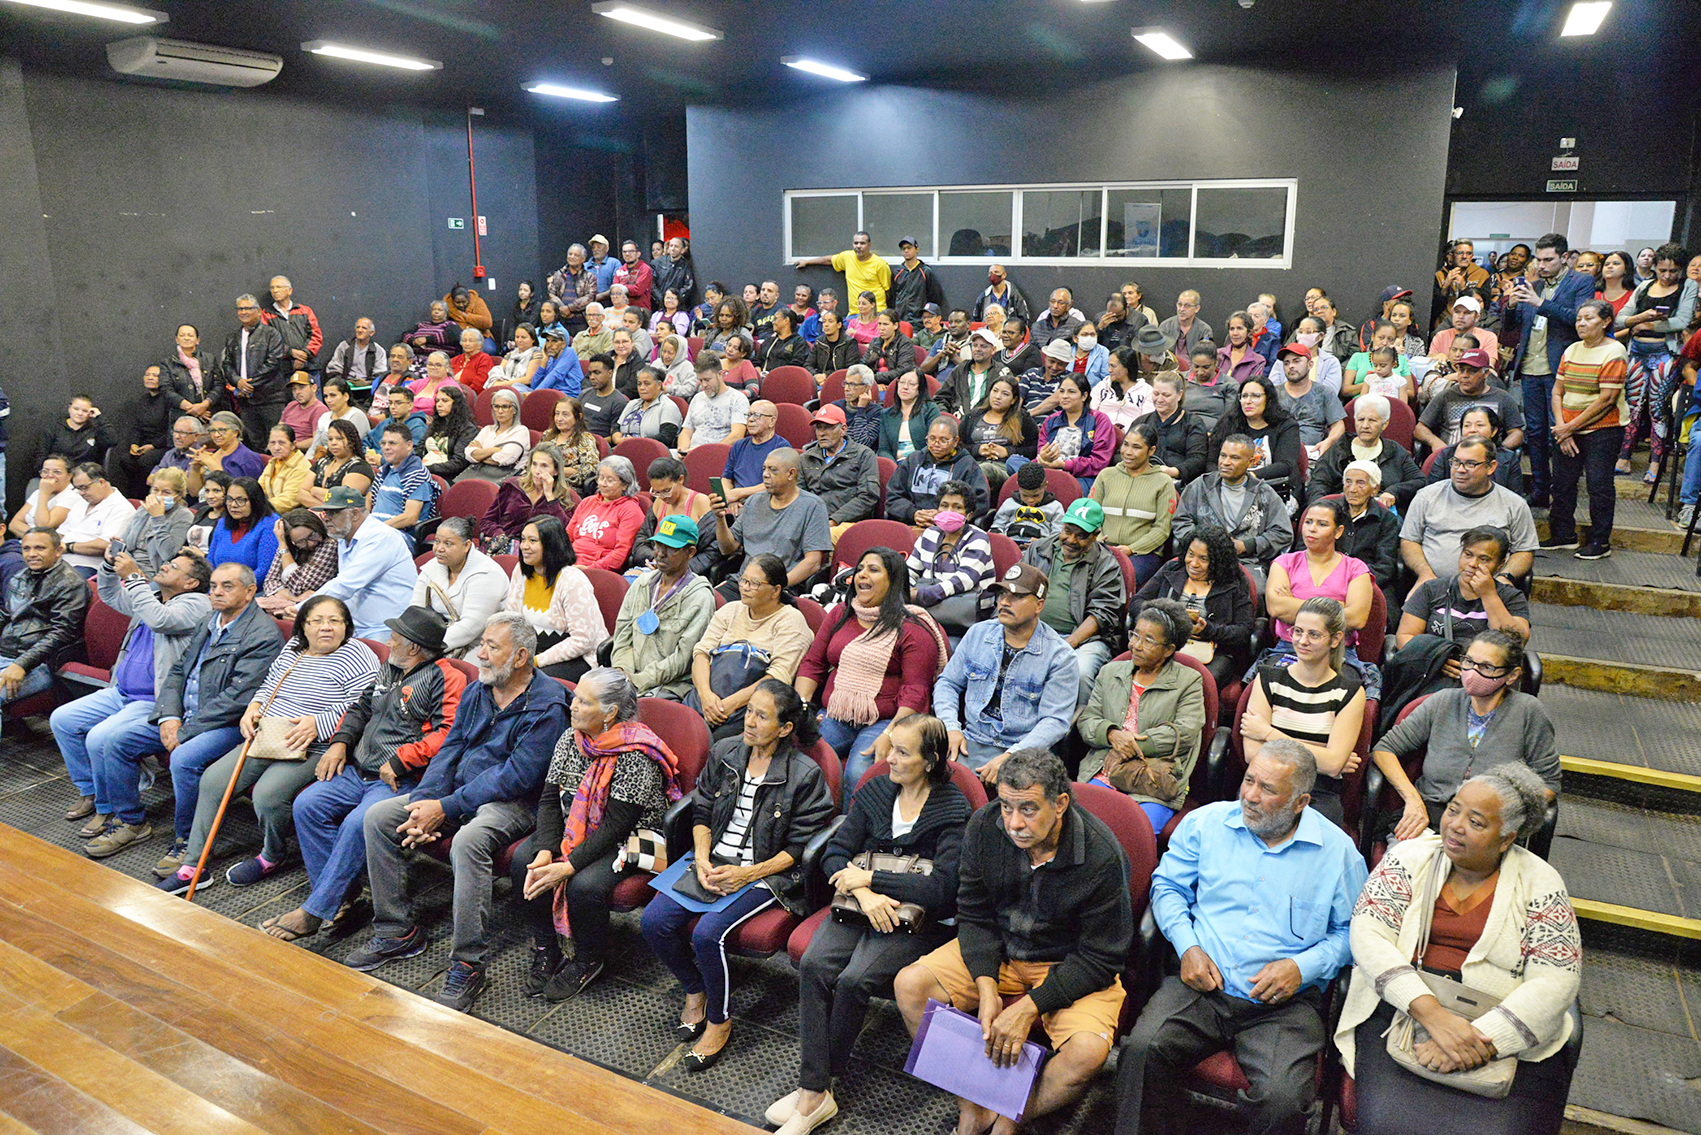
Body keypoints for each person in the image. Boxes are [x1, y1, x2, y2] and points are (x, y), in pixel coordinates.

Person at [1117, 739, 1366, 1135]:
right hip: (1202, 984)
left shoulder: (1338, 855)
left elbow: (1354, 932)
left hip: (1284, 1003)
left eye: (1267, 789)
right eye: (1249, 780)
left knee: (1282, 1101)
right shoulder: (1206, 824)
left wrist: (1302, 968)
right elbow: (1167, 889)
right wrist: (1188, 947)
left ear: (1300, 802)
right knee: (1142, 1051)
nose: (1249, 795)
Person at [895, 749, 1131, 1135]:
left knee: (1087, 1053)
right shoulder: (985, 826)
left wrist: (1028, 1010)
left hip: (1066, 962)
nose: (1014, 823)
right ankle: (972, 1107)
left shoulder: (1102, 855)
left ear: (1060, 804)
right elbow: (973, 914)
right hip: (1002, 949)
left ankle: (1011, 1115)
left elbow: (1102, 958)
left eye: (1028, 809)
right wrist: (986, 987)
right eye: (1006, 806)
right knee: (910, 985)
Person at [1336, 766, 1581, 1135]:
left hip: (1499, 1028)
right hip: (1401, 1012)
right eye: (1453, 809)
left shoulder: (1541, 882)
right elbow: (1369, 934)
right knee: (1384, 1125)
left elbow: (1556, 980)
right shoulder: (1410, 857)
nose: (1455, 825)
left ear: (1506, 838)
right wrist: (1432, 1015)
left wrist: (1480, 1039)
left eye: (1476, 822)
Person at [347, 612, 569, 1012]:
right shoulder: (479, 690)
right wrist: (425, 801)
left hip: (514, 804)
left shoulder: (548, 706)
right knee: (379, 817)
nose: (480, 654)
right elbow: (451, 747)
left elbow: (515, 777)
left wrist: (444, 808)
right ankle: (396, 931)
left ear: (520, 657)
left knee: (468, 841)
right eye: (481, 643)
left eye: (491, 647)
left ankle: (468, 962)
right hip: (456, 792)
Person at [773, 714, 969, 1135]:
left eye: (902, 752)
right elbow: (834, 853)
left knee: (854, 980)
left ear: (931, 760)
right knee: (814, 964)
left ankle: (817, 1090)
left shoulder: (953, 808)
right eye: (891, 747)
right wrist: (865, 893)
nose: (889, 758)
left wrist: (872, 878)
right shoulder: (877, 790)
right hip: (860, 904)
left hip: (917, 921)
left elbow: (943, 889)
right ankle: (815, 1091)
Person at [640, 678, 834, 1066]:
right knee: (653, 920)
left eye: (761, 717)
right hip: (714, 859)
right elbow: (702, 810)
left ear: (785, 728)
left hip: (766, 873)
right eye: (749, 712)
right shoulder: (726, 751)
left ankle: (719, 1020)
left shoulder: (805, 774)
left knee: (710, 935)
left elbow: (797, 850)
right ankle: (695, 989)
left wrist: (747, 875)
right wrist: (702, 857)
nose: (749, 722)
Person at [261, 607, 468, 942]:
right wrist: (339, 743)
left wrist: (402, 760)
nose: (388, 642)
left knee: (359, 822)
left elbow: (448, 733)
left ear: (414, 647)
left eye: (395, 638)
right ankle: (340, 897)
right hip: (358, 767)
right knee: (307, 805)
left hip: (400, 778)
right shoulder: (390, 667)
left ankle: (315, 911)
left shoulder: (447, 677)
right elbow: (359, 708)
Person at [162, 596, 380, 894]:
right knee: (213, 781)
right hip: (268, 734)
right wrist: (254, 706)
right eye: (317, 621)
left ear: (347, 626)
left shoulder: (358, 654)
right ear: (303, 625)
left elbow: (365, 706)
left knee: (267, 795)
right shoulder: (294, 648)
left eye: (335, 621)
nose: (326, 628)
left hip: (315, 743)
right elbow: (269, 684)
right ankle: (194, 866)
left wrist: (319, 723)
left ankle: (271, 854)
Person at [513, 669, 686, 1002]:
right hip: (576, 825)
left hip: (628, 837)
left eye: (584, 702)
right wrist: (546, 851)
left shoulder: (637, 753)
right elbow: (550, 797)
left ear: (610, 713)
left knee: (585, 884)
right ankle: (547, 947)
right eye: (575, 697)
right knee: (525, 861)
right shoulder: (571, 738)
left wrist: (569, 866)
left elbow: (616, 825)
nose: (573, 706)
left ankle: (588, 959)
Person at [53, 548, 212, 853]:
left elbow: (160, 620)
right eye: (167, 561)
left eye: (174, 566)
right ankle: (92, 792)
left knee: (101, 738)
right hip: (120, 691)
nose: (164, 565)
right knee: (63, 719)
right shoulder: (150, 596)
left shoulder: (197, 604)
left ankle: (118, 813)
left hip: (153, 700)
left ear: (191, 583)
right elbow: (111, 596)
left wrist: (136, 577)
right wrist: (111, 568)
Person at [149, 563, 285, 880]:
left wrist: (186, 730)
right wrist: (169, 715)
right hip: (184, 714)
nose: (217, 592)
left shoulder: (262, 634)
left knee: (184, 758)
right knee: (113, 738)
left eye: (227, 586)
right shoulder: (209, 621)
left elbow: (239, 698)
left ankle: (186, 841)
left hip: (230, 725)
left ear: (251, 591)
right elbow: (179, 670)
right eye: (212, 586)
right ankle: (126, 819)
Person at [1372, 627, 1556, 843]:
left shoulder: (1528, 711)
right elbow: (1384, 749)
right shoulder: (1442, 702)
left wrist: (1502, 815)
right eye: (1468, 662)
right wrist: (1412, 799)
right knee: (1404, 870)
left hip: (1490, 827)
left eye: (1486, 667)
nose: (1472, 672)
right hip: (1429, 819)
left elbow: (1549, 783)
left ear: (1511, 675)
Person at [796, 547, 949, 787]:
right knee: (797, 755)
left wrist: (891, 734)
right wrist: (802, 708)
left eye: (873, 570)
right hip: (835, 714)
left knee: (859, 773)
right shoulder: (840, 614)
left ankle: (850, 825)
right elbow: (813, 663)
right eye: (860, 569)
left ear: (892, 581)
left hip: (886, 720)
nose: (862, 575)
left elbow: (916, 693)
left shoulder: (912, 628)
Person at [932, 563, 1079, 777]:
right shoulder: (978, 634)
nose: (1004, 602)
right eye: (1002, 594)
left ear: (1039, 606)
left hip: (1026, 753)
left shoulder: (1060, 656)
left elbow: (1054, 722)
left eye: (1017, 597)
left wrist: (1013, 756)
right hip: (970, 740)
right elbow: (948, 683)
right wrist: (950, 727)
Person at [1078, 599, 1207, 833]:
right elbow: (1088, 720)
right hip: (1104, 768)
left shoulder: (1189, 681)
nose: (1136, 645)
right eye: (1135, 635)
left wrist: (1132, 744)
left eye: (1148, 640)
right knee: (1081, 827)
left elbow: (1186, 732)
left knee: (1134, 834)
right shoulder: (1110, 672)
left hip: (1152, 778)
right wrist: (1111, 734)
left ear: (1169, 649)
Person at [1242, 598, 1368, 827]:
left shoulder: (1351, 692)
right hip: (1265, 786)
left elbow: (1331, 766)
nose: (1302, 641)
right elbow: (1253, 754)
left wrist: (1268, 733)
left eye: (1314, 634)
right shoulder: (1267, 678)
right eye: (1298, 631)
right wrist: (1320, 754)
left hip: (1318, 793)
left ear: (1336, 639)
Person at [1502, 233, 1597, 507]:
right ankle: (1541, 491)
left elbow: (1580, 319)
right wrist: (1511, 304)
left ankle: (1563, 493)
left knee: (1559, 432)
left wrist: (1539, 303)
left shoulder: (1581, 282)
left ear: (1564, 258)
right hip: (1530, 366)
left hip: (1560, 368)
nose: (1541, 265)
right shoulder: (1533, 285)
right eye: (1538, 259)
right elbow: (1512, 325)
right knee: (1535, 432)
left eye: (1548, 259)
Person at [692, 553, 815, 741]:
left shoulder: (791, 621)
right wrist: (705, 695)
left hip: (749, 709)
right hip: (707, 699)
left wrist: (728, 705)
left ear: (775, 591)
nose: (745, 588)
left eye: (754, 584)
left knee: (711, 744)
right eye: (744, 581)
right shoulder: (730, 610)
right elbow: (701, 654)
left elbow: (778, 677)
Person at [1543, 299, 1629, 561]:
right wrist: (1562, 427)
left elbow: (1606, 400)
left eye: (1589, 318)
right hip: (1567, 426)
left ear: (1605, 322)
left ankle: (1600, 540)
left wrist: (1569, 428)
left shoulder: (1614, 351)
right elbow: (1557, 391)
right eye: (1579, 318)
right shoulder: (1571, 349)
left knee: (1598, 484)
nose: (1581, 323)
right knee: (1562, 482)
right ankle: (1563, 534)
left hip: (1603, 428)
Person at [1020, 497, 1126, 703]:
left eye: (1081, 536)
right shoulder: (1039, 549)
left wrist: (1068, 643)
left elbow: (1102, 614)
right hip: (1033, 630)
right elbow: (1016, 588)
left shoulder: (1107, 565)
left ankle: (1077, 731)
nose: (1071, 540)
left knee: (1080, 673)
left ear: (1096, 535)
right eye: (1067, 531)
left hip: (1082, 640)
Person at [1401, 438, 1537, 587]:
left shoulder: (1515, 504)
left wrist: (1504, 578)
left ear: (1491, 467)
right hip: (1433, 586)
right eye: (1456, 462)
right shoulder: (1426, 496)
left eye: (1470, 464)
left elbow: (1524, 551)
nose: (1460, 469)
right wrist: (1424, 573)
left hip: (1489, 589)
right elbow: (1409, 541)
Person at [1132, 525, 1256, 688]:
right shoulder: (1172, 569)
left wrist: (1208, 630)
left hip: (1213, 652)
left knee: (1193, 684)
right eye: (1190, 555)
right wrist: (1163, 619)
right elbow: (1137, 602)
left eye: (1203, 559)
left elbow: (1244, 630)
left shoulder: (1235, 581)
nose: (1194, 563)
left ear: (1218, 561)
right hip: (1164, 644)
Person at [1613, 243, 1696, 481]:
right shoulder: (1645, 286)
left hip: (1664, 352)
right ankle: (1624, 457)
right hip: (1638, 350)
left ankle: (1656, 463)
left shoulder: (1687, 286)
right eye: (1663, 270)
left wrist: (1646, 324)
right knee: (1632, 407)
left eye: (1673, 271)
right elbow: (1620, 319)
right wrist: (1640, 318)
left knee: (1658, 409)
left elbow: (1682, 320)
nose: (1668, 276)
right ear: (1655, 268)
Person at [609, 514, 715, 698]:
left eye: (671, 548)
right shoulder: (642, 584)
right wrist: (621, 671)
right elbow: (622, 635)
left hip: (669, 685)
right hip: (627, 677)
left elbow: (683, 659)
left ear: (690, 552)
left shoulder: (700, 597)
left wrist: (638, 681)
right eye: (658, 545)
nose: (660, 553)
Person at [712, 449, 833, 598]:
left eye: (773, 470)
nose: (765, 474)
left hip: (780, 589)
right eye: (764, 469)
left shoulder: (812, 506)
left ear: (791, 473)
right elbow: (727, 549)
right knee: (709, 603)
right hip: (743, 583)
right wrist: (720, 519)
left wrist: (776, 586)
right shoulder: (753, 501)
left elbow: (813, 562)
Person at [501, 515, 607, 683]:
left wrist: (536, 661)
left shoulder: (572, 580)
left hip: (576, 658)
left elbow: (582, 641)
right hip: (531, 651)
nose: (524, 547)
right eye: (523, 540)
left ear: (551, 545)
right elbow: (511, 619)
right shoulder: (521, 570)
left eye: (533, 541)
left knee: (529, 680)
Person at [1397, 528, 1532, 658]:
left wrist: (1489, 595)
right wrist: (1437, 660)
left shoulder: (1511, 596)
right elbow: (1405, 636)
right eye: (1468, 554)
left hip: (1485, 672)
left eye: (1484, 559)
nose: (1473, 563)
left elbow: (1516, 643)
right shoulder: (1431, 589)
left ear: (1500, 565)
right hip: (1432, 668)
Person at [1173, 436, 1293, 582]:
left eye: (1234, 458)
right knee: (1171, 581)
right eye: (1223, 455)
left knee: (1256, 592)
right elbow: (1181, 520)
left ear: (1250, 462)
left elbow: (1283, 533)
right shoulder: (1201, 486)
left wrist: (1246, 545)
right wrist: (1200, 545)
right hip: (1201, 559)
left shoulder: (1265, 493)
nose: (1225, 462)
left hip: (1246, 562)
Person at [312, 485, 418, 640]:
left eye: (334, 513)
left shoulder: (381, 537)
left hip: (387, 628)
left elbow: (346, 585)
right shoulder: (343, 536)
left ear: (355, 514)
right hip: (356, 624)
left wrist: (306, 608)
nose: (326, 518)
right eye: (326, 513)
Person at [1091, 423, 1178, 586]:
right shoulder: (1106, 475)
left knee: (1120, 579)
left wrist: (1131, 549)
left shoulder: (1163, 482)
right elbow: (1091, 515)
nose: (1128, 452)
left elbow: (1162, 529)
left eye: (1136, 447)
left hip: (1142, 554)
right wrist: (1099, 541)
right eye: (1125, 445)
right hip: (1101, 547)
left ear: (1151, 451)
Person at [413, 517, 509, 658]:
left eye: (448, 544)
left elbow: (470, 627)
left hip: (480, 642)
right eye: (437, 541)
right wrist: (414, 640)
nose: (439, 548)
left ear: (466, 546)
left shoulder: (487, 573)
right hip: (435, 637)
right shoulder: (432, 566)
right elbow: (416, 610)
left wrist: (427, 648)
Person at [906, 481, 994, 633]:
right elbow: (910, 570)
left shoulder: (978, 538)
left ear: (969, 515)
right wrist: (904, 590)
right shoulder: (930, 534)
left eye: (957, 507)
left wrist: (923, 595)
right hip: (928, 613)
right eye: (944, 505)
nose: (949, 511)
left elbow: (964, 580)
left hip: (964, 619)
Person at [1306, 392, 1422, 505]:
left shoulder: (1395, 451)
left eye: (1372, 420)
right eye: (1361, 420)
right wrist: (1321, 508)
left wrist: (1393, 491)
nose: (1365, 425)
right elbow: (1318, 483)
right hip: (1340, 511)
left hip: (1381, 515)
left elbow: (1419, 480)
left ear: (1385, 424)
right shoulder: (1339, 448)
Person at [885, 417, 990, 529]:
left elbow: (980, 502)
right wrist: (912, 513)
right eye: (932, 438)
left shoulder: (967, 465)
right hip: (910, 524)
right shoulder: (913, 460)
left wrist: (945, 515)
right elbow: (893, 496)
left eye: (943, 440)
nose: (936, 444)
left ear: (955, 441)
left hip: (950, 529)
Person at [1415, 347, 1525, 452]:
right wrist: (1435, 442)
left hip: (1488, 462)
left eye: (1472, 371)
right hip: (1451, 459)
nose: (1465, 376)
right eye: (1461, 370)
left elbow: (1517, 433)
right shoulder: (1446, 396)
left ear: (1486, 373)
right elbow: (1420, 429)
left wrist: (1499, 451)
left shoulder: (1502, 398)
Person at [798, 404, 881, 541]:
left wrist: (833, 520)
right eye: (819, 427)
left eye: (828, 427)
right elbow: (798, 496)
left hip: (848, 523)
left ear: (843, 429)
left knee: (823, 537)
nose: (822, 433)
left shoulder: (863, 455)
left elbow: (868, 497)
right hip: (812, 521)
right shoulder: (806, 458)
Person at [1208, 374, 1303, 492]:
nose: (1248, 401)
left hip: (1275, 488)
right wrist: (1225, 478)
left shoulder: (1286, 425)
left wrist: (1246, 478)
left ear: (1268, 399)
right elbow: (1211, 462)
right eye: (1244, 396)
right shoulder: (1228, 422)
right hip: (1230, 487)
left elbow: (1285, 465)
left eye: (1255, 396)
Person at [477, 444, 576, 553]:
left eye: (544, 466)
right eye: (534, 464)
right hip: (504, 547)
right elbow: (487, 521)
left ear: (556, 471)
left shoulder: (562, 496)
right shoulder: (512, 486)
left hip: (539, 553)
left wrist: (550, 497)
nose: (537, 471)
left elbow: (565, 532)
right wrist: (500, 535)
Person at [219, 294, 289, 445]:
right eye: (240, 309)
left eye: (248, 308)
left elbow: (273, 363)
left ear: (258, 311)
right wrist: (238, 382)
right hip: (246, 401)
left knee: (276, 442)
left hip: (270, 399)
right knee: (255, 443)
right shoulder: (233, 337)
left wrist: (249, 384)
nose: (243, 312)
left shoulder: (272, 334)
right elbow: (227, 364)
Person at [961, 374, 1038, 494]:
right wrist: (978, 450)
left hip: (1004, 469)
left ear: (1013, 400)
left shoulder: (1022, 418)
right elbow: (958, 446)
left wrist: (1007, 452)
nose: (997, 397)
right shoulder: (973, 416)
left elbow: (1034, 449)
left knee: (986, 469)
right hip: (975, 464)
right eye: (995, 391)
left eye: (1005, 394)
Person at [568, 456, 646, 571]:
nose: (603, 484)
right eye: (601, 478)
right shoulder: (587, 502)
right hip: (570, 563)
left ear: (625, 484)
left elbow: (620, 554)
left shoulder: (630, 511)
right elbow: (566, 537)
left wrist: (589, 569)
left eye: (610, 480)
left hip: (597, 570)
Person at [256, 508, 339, 617]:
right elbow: (270, 581)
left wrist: (283, 548)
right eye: (301, 542)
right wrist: (294, 597)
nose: (310, 543)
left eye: (312, 535)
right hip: (291, 605)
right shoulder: (287, 544)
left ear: (317, 526)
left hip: (319, 608)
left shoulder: (330, 545)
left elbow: (299, 586)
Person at [58, 462, 136, 577]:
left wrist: (68, 547)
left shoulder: (122, 508)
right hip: (60, 559)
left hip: (88, 566)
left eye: (84, 488)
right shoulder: (81, 502)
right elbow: (61, 533)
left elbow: (106, 545)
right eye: (77, 489)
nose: (81, 493)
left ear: (101, 482)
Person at [115, 467, 195, 576]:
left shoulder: (184, 516)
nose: (159, 496)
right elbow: (127, 543)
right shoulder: (144, 509)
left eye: (166, 492)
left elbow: (168, 554)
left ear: (179, 495)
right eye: (155, 490)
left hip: (154, 573)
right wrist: (118, 545)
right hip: (129, 565)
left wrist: (158, 518)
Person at [1136, 372, 1209, 485]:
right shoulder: (1141, 422)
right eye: (1156, 394)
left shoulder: (1193, 423)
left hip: (1178, 483)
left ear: (1179, 395)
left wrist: (1173, 471)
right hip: (1141, 479)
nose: (1159, 399)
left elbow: (1197, 460)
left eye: (1166, 395)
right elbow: (1122, 452)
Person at [112, 363, 175, 494]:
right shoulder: (143, 400)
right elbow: (137, 427)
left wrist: (152, 446)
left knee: (145, 461)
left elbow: (171, 430)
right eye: (147, 375)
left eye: (155, 375)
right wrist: (134, 444)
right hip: (145, 444)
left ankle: (149, 494)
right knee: (126, 460)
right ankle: (135, 496)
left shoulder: (169, 401)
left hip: (164, 445)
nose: (150, 378)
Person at [796, 229, 893, 311]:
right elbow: (828, 260)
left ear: (869, 245)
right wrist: (807, 262)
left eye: (862, 243)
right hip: (855, 313)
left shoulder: (880, 264)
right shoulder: (847, 257)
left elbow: (887, 291)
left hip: (876, 312)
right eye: (856, 243)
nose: (858, 246)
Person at [718, 400, 790, 508]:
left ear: (772, 421)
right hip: (736, 504)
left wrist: (739, 493)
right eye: (749, 415)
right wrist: (730, 498)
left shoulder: (781, 447)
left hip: (766, 503)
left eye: (757, 416)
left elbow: (777, 483)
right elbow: (726, 478)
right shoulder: (739, 445)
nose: (750, 420)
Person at [677, 353, 750, 453]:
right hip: (691, 453)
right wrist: (683, 450)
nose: (704, 385)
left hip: (718, 454)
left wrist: (706, 452)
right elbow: (686, 432)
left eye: (707, 380)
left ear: (720, 374)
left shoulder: (737, 399)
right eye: (701, 380)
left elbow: (737, 435)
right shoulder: (697, 398)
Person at [205, 477, 277, 574]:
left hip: (252, 587)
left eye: (241, 500)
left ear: (255, 501)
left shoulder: (270, 524)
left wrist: (234, 587)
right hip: (218, 586)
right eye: (229, 499)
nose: (233, 505)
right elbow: (210, 564)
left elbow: (264, 571)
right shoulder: (222, 523)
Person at [457, 388, 529, 483]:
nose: (500, 411)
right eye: (496, 406)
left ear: (515, 410)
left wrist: (480, 454)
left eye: (505, 407)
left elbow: (504, 459)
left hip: (505, 481)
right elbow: (468, 454)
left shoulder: (521, 431)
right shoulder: (487, 429)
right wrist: (493, 450)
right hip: (480, 475)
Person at [187, 412, 266, 495]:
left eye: (222, 430)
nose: (216, 435)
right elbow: (194, 493)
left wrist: (211, 462)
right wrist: (195, 468)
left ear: (235, 432)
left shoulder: (248, 458)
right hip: (204, 504)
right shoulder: (212, 454)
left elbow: (239, 493)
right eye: (213, 431)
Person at [990, 460, 1065, 548]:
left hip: (1039, 549)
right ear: (1018, 485)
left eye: (1036, 495)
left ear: (1045, 486)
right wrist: (1000, 536)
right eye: (1025, 495)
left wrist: (1042, 543)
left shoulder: (1055, 507)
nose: (1030, 500)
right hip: (1008, 546)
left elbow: (1057, 535)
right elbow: (997, 525)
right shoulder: (1009, 503)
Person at [537, 396, 601, 496]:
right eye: (557, 414)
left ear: (578, 417)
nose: (559, 419)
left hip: (567, 488)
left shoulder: (584, 439)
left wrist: (556, 471)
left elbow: (590, 470)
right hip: (539, 482)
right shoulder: (547, 435)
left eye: (565, 415)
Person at [303, 419, 373, 508]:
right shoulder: (322, 462)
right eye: (330, 439)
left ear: (351, 441)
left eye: (339, 439)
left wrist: (314, 490)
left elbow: (343, 500)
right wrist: (324, 509)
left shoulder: (360, 468)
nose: (333, 443)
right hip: (315, 514)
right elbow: (301, 494)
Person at [614, 365, 685, 448]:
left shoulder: (668, 406)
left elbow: (666, 437)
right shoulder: (632, 404)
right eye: (639, 384)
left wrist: (637, 442)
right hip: (623, 447)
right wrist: (618, 439)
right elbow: (616, 427)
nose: (642, 388)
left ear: (659, 385)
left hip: (651, 451)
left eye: (646, 384)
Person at [877, 370, 940, 462]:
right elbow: (883, 449)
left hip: (922, 463)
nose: (905, 387)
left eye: (912, 384)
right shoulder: (886, 414)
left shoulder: (930, 409)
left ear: (920, 389)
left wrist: (911, 464)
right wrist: (893, 467)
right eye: (902, 382)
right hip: (896, 466)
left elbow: (932, 444)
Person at [1177, 334, 1235, 432]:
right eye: (1196, 367)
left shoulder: (1229, 385)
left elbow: (1229, 420)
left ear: (1216, 362)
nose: (1200, 372)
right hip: (1181, 432)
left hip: (1213, 435)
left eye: (1206, 367)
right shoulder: (1180, 379)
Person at [1091, 345, 1155, 434]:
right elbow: (1091, 413)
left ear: (1127, 367)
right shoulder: (1102, 386)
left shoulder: (1147, 391)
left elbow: (1146, 423)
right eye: (1109, 365)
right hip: (1100, 434)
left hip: (1131, 437)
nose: (1109, 370)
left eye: (1113, 366)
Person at [163, 323, 220, 422]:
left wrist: (203, 406)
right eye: (182, 335)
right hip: (181, 415)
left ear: (198, 340)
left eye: (190, 335)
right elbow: (166, 390)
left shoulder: (209, 359)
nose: (186, 338)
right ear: (176, 339)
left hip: (209, 414)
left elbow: (219, 385)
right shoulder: (167, 363)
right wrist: (193, 409)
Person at [1426, 295, 1501, 367]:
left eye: (1467, 313)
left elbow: (1488, 368)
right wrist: (1437, 356)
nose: (1460, 316)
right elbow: (1428, 360)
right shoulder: (1441, 336)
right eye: (1457, 312)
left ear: (1477, 317)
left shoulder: (1488, 337)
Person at [255, 424, 312, 515]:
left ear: (293, 445)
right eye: (273, 443)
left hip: (290, 517)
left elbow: (288, 501)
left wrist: (258, 508)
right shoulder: (273, 462)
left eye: (281, 443)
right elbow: (258, 489)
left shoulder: (302, 467)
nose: (276, 448)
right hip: (269, 511)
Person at [324, 316, 390, 392]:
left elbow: (380, 374)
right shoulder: (344, 346)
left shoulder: (378, 350)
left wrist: (366, 383)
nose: (360, 330)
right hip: (345, 388)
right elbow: (333, 369)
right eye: (358, 327)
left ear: (372, 333)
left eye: (364, 328)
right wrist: (343, 383)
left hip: (368, 389)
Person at [311, 379, 372, 457]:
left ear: (346, 396)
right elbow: (314, 447)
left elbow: (348, 448)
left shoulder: (357, 415)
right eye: (326, 396)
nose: (328, 400)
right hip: (325, 459)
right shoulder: (324, 417)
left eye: (333, 395)